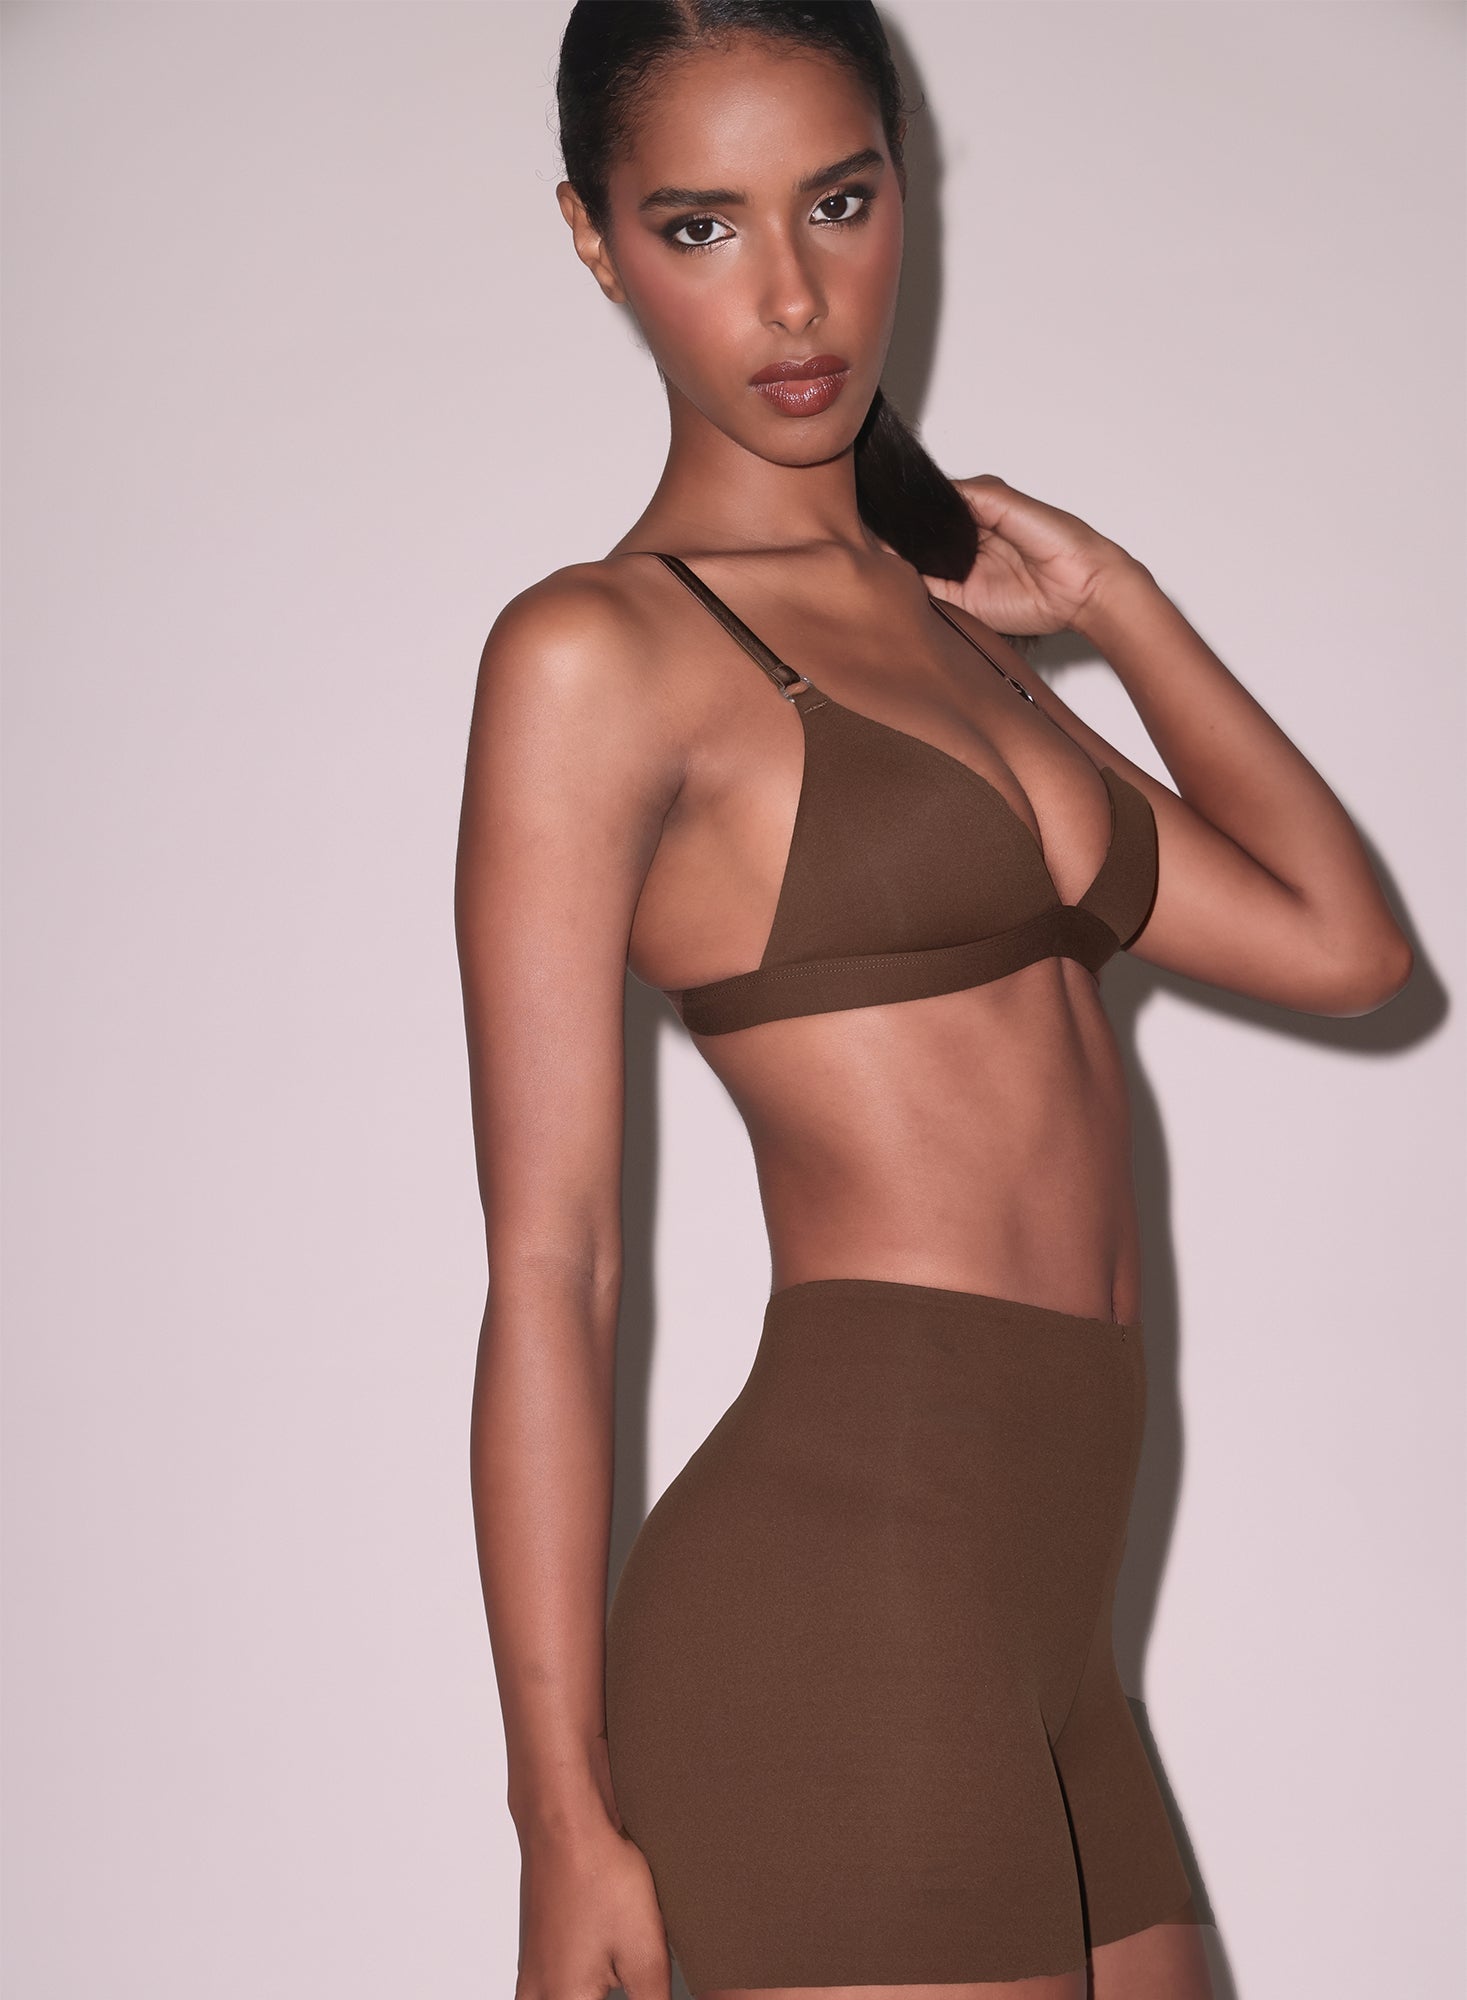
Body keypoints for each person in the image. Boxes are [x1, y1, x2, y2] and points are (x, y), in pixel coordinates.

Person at [453, 5, 1414, 1997]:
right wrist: (561, 1816)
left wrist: (1118, 609)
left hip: (1055, 1644)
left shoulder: (951, 629)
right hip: (842, 1601)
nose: (792, 296)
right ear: (593, 240)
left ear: (905, 186)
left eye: (836, 202)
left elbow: (1345, 950)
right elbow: (554, 1263)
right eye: (699, 226)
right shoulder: (596, 652)